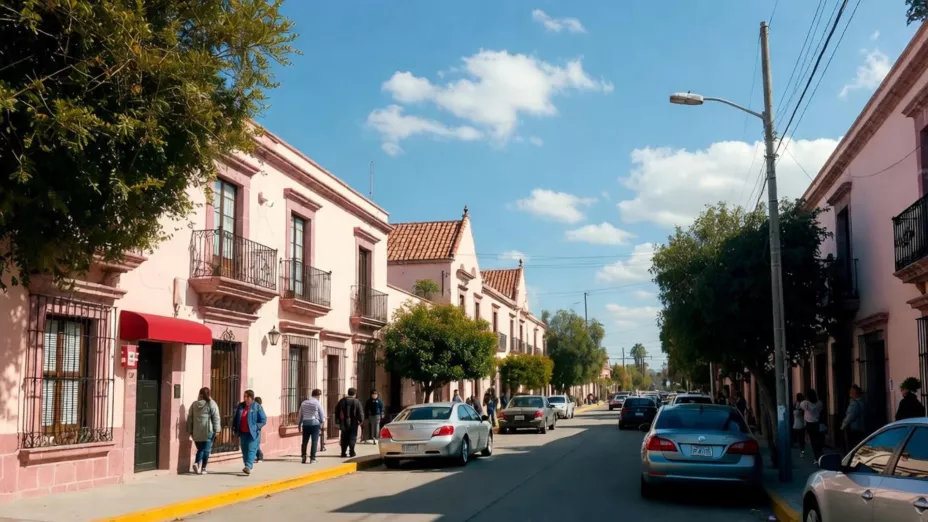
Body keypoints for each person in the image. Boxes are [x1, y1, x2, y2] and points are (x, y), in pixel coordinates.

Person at [186, 386, 220, 475]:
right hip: (208, 431)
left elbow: (190, 418)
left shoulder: (194, 404)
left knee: (200, 449)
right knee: (206, 450)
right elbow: (216, 417)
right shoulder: (211, 403)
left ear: (200, 394)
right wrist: (217, 430)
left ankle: (197, 463)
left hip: (196, 431)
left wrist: (190, 430)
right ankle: (204, 468)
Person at [231, 389, 266, 475]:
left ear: (251, 398)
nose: (245, 399)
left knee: (252, 449)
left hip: (253, 433)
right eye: (244, 397)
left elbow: (263, 419)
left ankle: (248, 465)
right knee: (244, 450)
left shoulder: (257, 406)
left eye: (247, 397)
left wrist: (256, 427)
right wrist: (235, 429)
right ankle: (247, 465)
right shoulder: (241, 406)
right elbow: (236, 418)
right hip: (243, 432)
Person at [298, 389, 326, 464]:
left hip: (305, 423)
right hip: (315, 423)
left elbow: (300, 414)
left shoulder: (304, 403)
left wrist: (299, 424)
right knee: (314, 441)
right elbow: (322, 414)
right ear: (318, 396)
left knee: (304, 441)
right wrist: (322, 423)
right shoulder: (317, 403)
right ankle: (312, 459)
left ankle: (303, 456)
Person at [334, 388, 364, 458]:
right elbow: (361, 413)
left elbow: (336, 411)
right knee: (352, 437)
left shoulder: (342, 401)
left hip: (343, 423)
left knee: (344, 437)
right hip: (354, 423)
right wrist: (361, 421)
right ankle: (351, 452)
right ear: (355, 394)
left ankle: (343, 452)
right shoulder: (357, 402)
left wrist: (337, 421)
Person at [800, 389, 825, 460]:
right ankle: (820, 453)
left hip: (809, 424)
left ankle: (816, 456)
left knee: (813, 441)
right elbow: (820, 409)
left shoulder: (806, 403)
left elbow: (801, 405)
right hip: (817, 423)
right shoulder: (819, 403)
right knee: (818, 440)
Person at [841, 385, 866, 451]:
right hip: (861, 427)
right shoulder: (863, 402)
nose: (850, 394)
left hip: (853, 429)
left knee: (852, 447)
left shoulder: (854, 404)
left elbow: (849, 417)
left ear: (854, 393)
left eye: (851, 392)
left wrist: (843, 426)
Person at [792, 392, 806, 458]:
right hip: (801, 425)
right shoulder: (802, 405)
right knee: (801, 440)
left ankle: (801, 451)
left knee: (799, 440)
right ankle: (802, 451)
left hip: (796, 425)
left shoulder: (796, 405)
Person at [254, 396, 264, 462]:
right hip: (255, 427)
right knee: (255, 443)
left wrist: (257, 426)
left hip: (257, 428)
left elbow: (262, 420)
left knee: (256, 443)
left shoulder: (259, 409)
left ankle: (260, 456)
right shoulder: (256, 408)